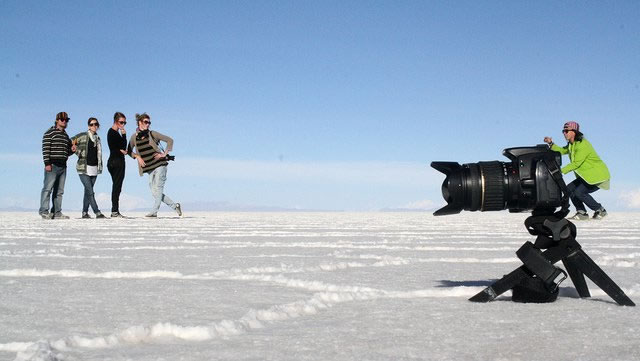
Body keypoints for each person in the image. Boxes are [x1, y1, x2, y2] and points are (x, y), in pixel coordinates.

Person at [544, 121, 610, 220]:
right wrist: (551, 143)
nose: (564, 133)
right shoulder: (572, 145)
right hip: (586, 176)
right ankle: (582, 212)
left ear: (574, 132)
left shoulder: (583, 145)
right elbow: (561, 151)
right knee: (569, 189)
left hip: (597, 176)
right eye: (563, 131)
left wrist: (558, 171)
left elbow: (576, 164)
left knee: (579, 192)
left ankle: (600, 210)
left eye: (566, 131)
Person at [128, 113, 182, 218]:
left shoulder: (152, 134)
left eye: (149, 122)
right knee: (154, 192)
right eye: (145, 122)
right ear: (139, 122)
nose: (148, 124)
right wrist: (137, 157)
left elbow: (170, 140)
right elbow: (129, 151)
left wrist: (164, 154)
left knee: (158, 188)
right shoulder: (134, 137)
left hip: (160, 165)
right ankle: (175, 206)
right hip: (149, 168)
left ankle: (154, 212)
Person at [39, 112, 75, 219]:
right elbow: (45, 149)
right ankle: (44, 211)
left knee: (59, 191)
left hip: (63, 166)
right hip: (52, 165)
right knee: (47, 189)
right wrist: (47, 163)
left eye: (66, 120)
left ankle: (56, 212)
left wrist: (72, 150)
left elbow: (66, 152)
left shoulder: (65, 135)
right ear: (57, 120)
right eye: (62, 119)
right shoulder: (49, 133)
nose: (64, 122)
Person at [71, 117, 106, 219]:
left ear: (98, 126)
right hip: (83, 168)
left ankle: (84, 212)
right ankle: (97, 212)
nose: (93, 126)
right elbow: (71, 141)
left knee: (87, 191)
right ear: (88, 126)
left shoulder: (98, 139)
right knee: (90, 191)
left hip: (94, 168)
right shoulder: (83, 135)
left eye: (95, 124)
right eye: (91, 124)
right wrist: (77, 151)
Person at [107, 112, 128, 217]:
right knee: (117, 186)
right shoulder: (112, 133)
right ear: (115, 121)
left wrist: (122, 149)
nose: (123, 125)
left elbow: (122, 147)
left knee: (117, 186)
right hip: (116, 162)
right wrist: (124, 135)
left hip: (115, 161)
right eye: (121, 122)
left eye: (124, 122)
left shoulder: (115, 133)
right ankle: (114, 210)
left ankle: (115, 210)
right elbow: (120, 147)